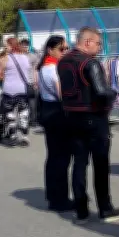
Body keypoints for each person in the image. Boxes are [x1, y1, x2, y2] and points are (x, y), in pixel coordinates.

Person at [58, 27, 119, 224]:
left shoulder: (63, 61)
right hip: (93, 117)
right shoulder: (90, 63)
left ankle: (81, 209)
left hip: (71, 115)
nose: (100, 47)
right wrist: (115, 95)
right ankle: (105, 207)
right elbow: (102, 91)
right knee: (101, 163)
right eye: (98, 43)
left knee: (79, 163)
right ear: (87, 42)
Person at [37, 35, 73, 212]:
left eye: (66, 48)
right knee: (61, 158)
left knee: (54, 157)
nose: (65, 52)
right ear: (50, 50)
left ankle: (54, 196)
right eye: (61, 49)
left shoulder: (45, 67)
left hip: (48, 112)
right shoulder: (52, 69)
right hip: (57, 115)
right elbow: (63, 95)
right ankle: (60, 199)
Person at [0, 38, 31, 146]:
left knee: (10, 115)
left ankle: (13, 136)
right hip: (22, 90)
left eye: (6, 46)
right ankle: (24, 137)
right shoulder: (25, 58)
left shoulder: (5, 58)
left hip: (9, 91)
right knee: (23, 114)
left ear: (11, 46)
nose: (5, 48)